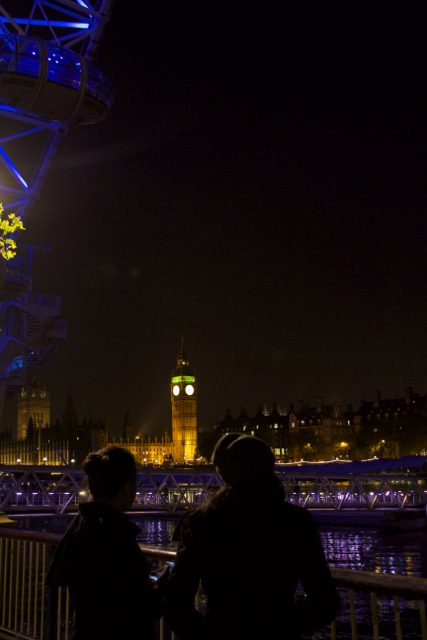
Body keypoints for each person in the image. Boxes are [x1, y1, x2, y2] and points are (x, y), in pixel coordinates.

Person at [164, 434, 340, 640]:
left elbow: (175, 604)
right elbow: (326, 602)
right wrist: (288, 623)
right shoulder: (295, 521)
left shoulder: (199, 523)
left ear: (225, 474)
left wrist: (205, 634)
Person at [46, 445, 168, 640]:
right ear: (127, 486)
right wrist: (161, 587)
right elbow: (134, 611)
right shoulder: (114, 534)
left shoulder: (81, 524)